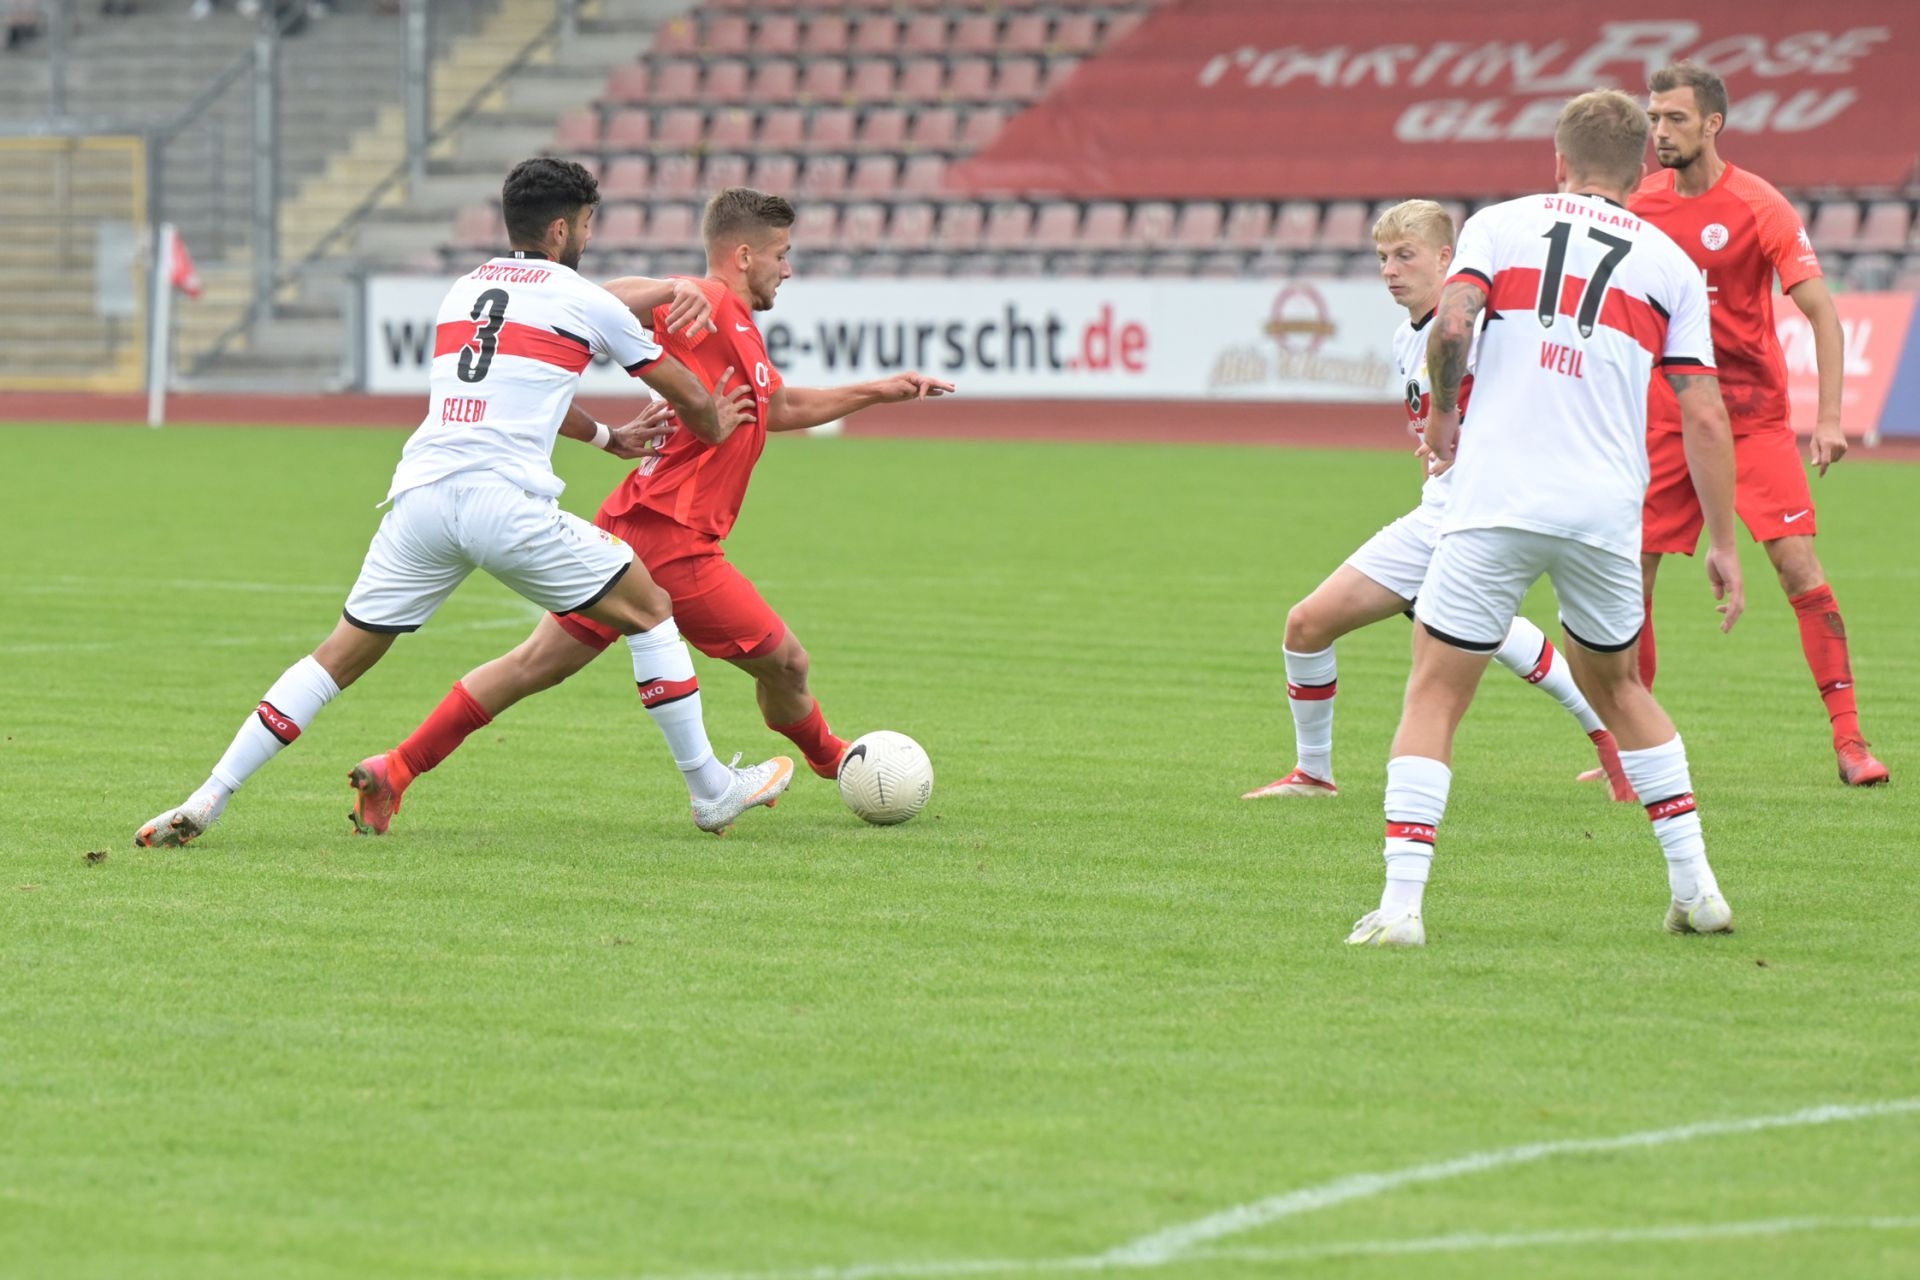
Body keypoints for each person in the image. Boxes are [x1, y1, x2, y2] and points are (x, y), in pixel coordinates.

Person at [135, 157, 790, 849]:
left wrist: (605, 437)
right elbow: (687, 396)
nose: (589, 239)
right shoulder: (582, 298)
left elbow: (520, 386)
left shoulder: (464, 290)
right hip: (503, 503)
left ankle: (209, 795)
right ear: (561, 229)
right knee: (651, 609)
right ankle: (710, 789)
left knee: (335, 659)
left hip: (420, 500)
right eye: (588, 226)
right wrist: (716, 418)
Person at [342, 186, 954, 837]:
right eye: (781, 254)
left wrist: (878, 392)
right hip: (675, 540)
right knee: (787, 664)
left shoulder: (738, 326)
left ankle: (395, 768)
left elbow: (779, 409)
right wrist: (673, 286)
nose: (788, 268)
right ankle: (836, 761)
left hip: (632, 523)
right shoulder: (708, 300)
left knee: (532, 665)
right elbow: (603, 297)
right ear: (744, 256)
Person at [1346, 89, 1745, 948]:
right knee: (1623, 689)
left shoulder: (1500, 224)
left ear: (1558, 160)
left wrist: (1443, 415)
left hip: (1498, 495)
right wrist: (1722, 539)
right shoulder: (1672, 264)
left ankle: (1402, 908)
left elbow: (1453, 324)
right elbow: (1706, 414)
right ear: (1640, 170)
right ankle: (1699, 889)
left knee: (1435, 691)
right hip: (1605, 508)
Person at [1243, 199, 1631, 804]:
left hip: (1472, 515)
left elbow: (1531, 397)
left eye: (1406, 255)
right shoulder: (1408, 337)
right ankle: (1314, 775)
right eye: (1382, 258)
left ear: (1447, 257)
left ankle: (1615, 744)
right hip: (1442, 512)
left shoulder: (1482, 327)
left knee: (1333, 628)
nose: (1390, 270)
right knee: (1321, 626)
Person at [1615, 60, 1886, 788]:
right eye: (1653, 117)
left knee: (1798, 567)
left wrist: (1830, 418)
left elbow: (1822, 312)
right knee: (1631, 574)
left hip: (1752, 419)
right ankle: (1628, 753)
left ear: (1712, 124)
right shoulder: (1638, 205)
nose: (1659, 131)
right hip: (1668, 416)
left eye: (1674, 118)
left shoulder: (1759, 204)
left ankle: (1851, 743)